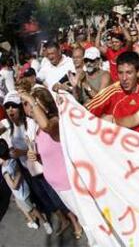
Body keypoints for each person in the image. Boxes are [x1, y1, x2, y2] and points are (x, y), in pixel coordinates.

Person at [18, 88, 83, 239]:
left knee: (90, 223)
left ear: (45, 107)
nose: (28, 108)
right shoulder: (38, 131)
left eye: (32, 104)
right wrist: (36, 156)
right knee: (86, 222)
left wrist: (30, 98)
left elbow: (47, 126)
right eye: (26, 104)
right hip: (59, 187)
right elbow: (50, 157)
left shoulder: (54, 123)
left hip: (71, 185)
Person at [86, 51, 139, 136]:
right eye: (120, 73)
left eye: (129, 73)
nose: (124, 78)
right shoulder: (111, 92)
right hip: (122, 146)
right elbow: (85, 112)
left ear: (138, 72)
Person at [0, 139, 52, 234]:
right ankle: (32, 221)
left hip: (21, 194)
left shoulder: (5, 171)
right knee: (20, 205)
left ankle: (45, 222)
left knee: (32, 209)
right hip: (23, 189)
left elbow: (14, 186)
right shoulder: (12, 157)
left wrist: (18, 174)